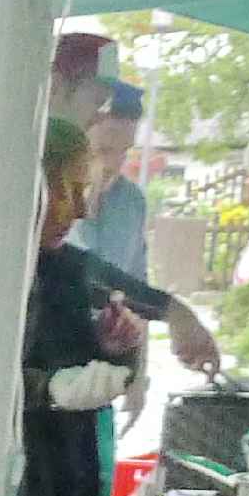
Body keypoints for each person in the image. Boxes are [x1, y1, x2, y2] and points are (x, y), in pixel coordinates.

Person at [20, 116, 142, 496]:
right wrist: (51, 388)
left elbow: (73, 366)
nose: (81, 211)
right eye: (67, 191)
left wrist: (112, 349)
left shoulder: (67, 268)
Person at [70, 79, 220, 391]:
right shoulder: (49, 198)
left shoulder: (131, 201)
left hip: (106, 366)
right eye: (102, 150)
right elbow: (77, 270)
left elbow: (135, 284)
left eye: (124, 152)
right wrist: (173, 311)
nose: (113, 165)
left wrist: (138, 371)